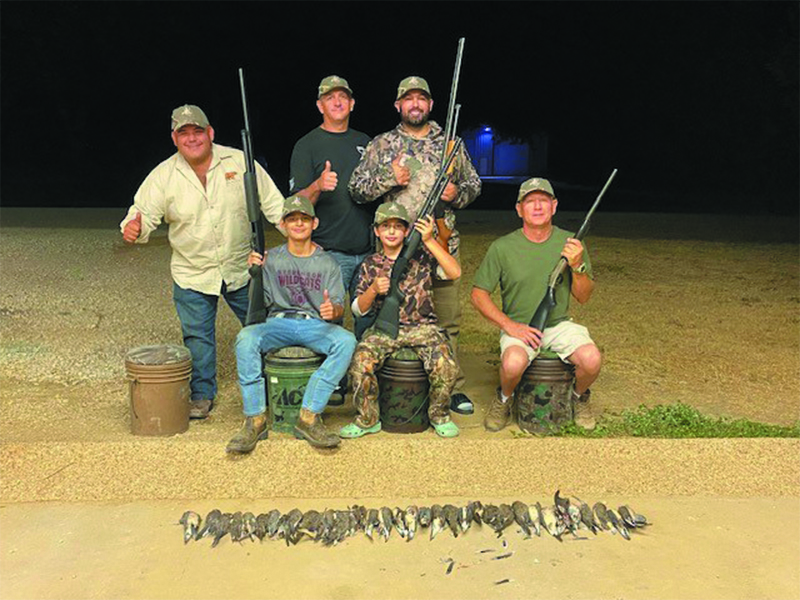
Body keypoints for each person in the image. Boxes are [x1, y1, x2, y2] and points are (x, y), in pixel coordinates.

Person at [120, 104, 284, 419]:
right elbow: (142, 212)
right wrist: (134, 228)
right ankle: (202, 394)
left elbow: (275, 205)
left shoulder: (239, 161)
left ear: (210, 133)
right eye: (184, 133)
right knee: (197, 337)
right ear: (174, 138)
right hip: (192, 271)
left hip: (241, 267)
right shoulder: (164, 175)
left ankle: (270, 384)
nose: (192, 138)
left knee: (260, 327)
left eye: (198, 131)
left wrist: (297, 232)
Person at [348, 75, 482, 416]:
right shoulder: (382, 144)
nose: (416, 104)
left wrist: (457, 194)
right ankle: (387, 380)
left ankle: (452, 389)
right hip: (395, 248)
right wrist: (390, 178)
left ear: (431, 105)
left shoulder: (450, 144)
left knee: (448, 319)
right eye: (409, 99)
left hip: (439, 241)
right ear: (398, 105)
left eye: (422, 98)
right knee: (389, 317)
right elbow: (356, 189)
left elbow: (473, 185)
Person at [471, 177, 602, 433]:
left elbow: (584, 296)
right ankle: (504, 399)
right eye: (530, 202)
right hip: (519, 327)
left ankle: (579, 397)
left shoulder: (572, 244)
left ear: (554, 206)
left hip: (558, 325)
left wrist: (577, 266)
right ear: (519, 209)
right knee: (512, 364)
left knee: (591, 360)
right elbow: (478, 295)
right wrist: (511, 326)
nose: (538, 207)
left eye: (543, 201)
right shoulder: (502, 247)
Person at [227, 195, 357, 453]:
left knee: (346, 341)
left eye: (304, 219)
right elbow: (259, 304)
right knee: (246, 338)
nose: (298, 224)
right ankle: (255, 419)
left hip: (314, 324)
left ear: (314, 223)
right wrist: (253, 273)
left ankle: (309, 416)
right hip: (278, 323)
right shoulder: (270, 259)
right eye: (292, 219)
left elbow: (340, 304)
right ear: (283, 224)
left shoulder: (327, 262)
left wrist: (334, 311)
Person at [339, 202, 461, 439]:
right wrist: (373, 290)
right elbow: (357, 309)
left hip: (423, 327)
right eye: (386, 226)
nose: (392, 231)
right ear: (376, 231)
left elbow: (454, 272)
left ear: (407, 231)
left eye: (398, 226)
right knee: (360, 361)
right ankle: (367, 419)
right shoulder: (370, 264)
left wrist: (429, 240)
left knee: (445, 365)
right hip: (385, 330)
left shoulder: (423, 257)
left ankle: (439, 416)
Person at [289, 75, 373, 403]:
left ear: (352, 103)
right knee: (330, 318)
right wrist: (318, 186)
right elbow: (295, 202)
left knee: (367, 317)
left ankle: (365, 383)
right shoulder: (307, 145)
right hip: (329, 251)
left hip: (366, 249)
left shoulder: (365, 142)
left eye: (343, 97)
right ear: (320, 105)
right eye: (330, 97)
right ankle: (332, 384)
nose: (337, 102)